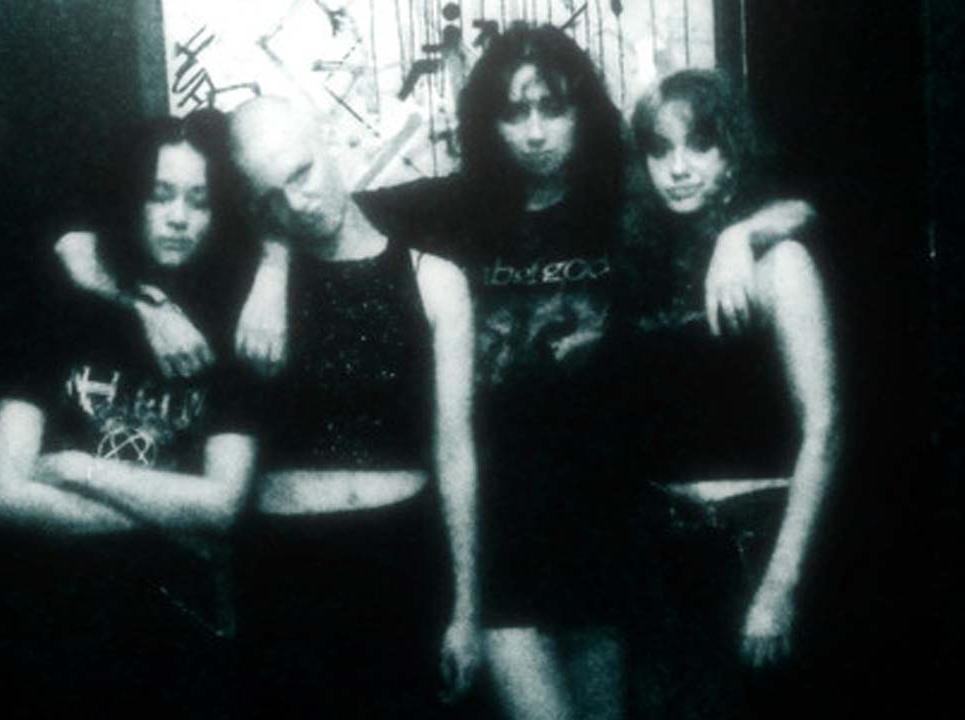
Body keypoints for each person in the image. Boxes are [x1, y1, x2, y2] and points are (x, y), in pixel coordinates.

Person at [51, 24, 813, 720]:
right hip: (502, 531)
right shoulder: (452, 207)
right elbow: (298, 210)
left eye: (552, 107)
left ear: (582, 109)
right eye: (513, 112)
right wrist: (260, 267)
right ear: (487, 121)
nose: (535, 131)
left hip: (607, 529)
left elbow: (794, 207)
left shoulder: (625, 202)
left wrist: (742, 234)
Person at [0, 111, 258, 716]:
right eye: (161, 195)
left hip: (181, 642)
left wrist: (76, 468)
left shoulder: (225, 327)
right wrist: (175, 518)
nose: (179, 217)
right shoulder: (60, 309)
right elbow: (3, 492)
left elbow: (224, 504)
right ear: (131, 198)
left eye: (199, 201)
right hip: (55, 629)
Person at [224, 95, 481, 720]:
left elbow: (455, 452)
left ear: (330, 136)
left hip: (401, 561)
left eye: (302, 172)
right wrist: (270, 261)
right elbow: (93, 235)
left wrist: (467, 608)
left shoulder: (434, 278)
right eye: (270, 196)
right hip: (284, 572)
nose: (297, 203)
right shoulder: (247, 283)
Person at [615, 68, 840, 718]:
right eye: (661, 149)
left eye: (699, 144)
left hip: (753, 547)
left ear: (732, 152)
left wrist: (780, 586)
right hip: (662, 558)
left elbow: (825, 429)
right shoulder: (645, 263)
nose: (679, 167)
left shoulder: (781, 263)